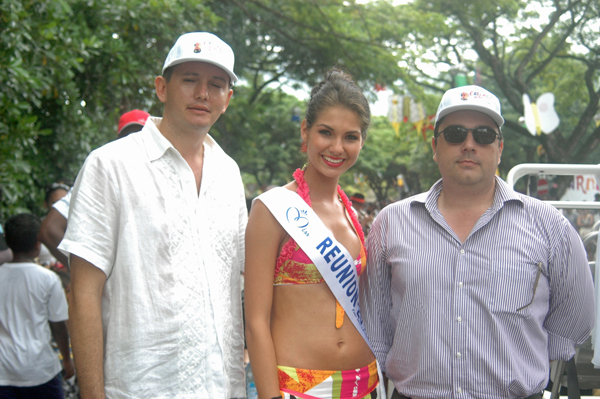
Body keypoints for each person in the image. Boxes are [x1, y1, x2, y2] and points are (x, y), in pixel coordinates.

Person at [360, 85, 595, 399]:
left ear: (499, 147)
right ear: (435, 146)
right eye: (455, 134)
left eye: (483, 135)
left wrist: (524, 361)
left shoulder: (550, 225)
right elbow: (374, 324)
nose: (469, 145)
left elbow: (573, 318)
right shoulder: (390, 223)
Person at [59, 32, 247, 398]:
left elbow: (240, 280)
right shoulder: (110, 165)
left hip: (222, 388)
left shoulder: (229, 173)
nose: (202, 94)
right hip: (138, 388)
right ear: (162, 88)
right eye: (189, 80)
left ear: (227, 99)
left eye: (216, 84)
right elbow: (83, 294)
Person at [245, 69, 382, 399]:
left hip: (365, 383)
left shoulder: (351, 214)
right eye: (326, 132)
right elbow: (255, 323)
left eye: (350, 137)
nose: (337, 147)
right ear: (305, 130)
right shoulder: (273, 209)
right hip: (299, 387)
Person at [38, 110, 150, 268]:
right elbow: (49, 230)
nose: (133, 142)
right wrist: (87, 277)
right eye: (128, 136)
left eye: (140, 136)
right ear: (117, 141)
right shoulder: (100, 176)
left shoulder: (168, 177)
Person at [0, 213, 73, 398]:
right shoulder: (48, 279)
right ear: (37, 245)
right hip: (41, 371)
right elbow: (59, 326)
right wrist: (67, 361)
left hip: (4, 372)